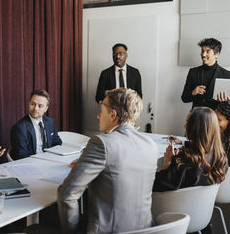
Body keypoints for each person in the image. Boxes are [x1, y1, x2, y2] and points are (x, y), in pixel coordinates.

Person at [58, 88, 158, 233]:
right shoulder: (151, 145)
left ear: (112, 115)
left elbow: (66, 195)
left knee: (35, 228)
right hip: (146, 229)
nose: (98, 116)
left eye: (101, 111)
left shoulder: (101, 143)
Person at [153, 107, 228, 192]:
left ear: (197, 128)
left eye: (188, 123)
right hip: (204, 204)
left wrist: (167, 162)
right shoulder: (221, 158)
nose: (184, 126)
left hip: (171, 204)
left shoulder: (183, 162)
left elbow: (157, 186)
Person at [181, 38, 230, 110]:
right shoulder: (193, 72)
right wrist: (193, 92)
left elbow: (229, 106)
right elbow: (184, 98)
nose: (203, 54)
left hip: (216, 117)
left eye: (207, 51)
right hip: (197, 116)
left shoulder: (227, 75)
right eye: (202, 51)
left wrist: (225, 101)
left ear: (217, 54)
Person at [10, 89, 62, 160]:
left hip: (51, 160)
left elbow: (57, 142)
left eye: (40, 106)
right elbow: (21, 156)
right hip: (32, 164)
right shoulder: (19, 128)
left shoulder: (50, 122)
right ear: (29, 104)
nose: (35, 108)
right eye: (32, 104)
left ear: (46, 108)